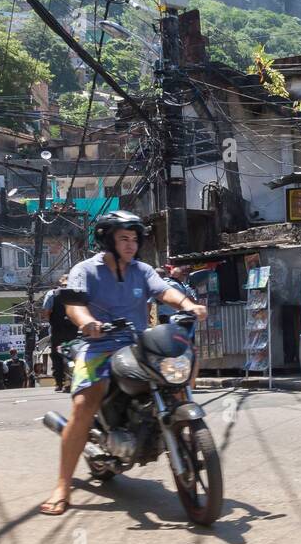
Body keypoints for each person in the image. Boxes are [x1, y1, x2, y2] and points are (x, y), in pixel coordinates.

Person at [39, 211, 207, 516]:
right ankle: (63, 485)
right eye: (123, 239)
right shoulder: (85, 270)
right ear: (108, 240)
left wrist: (188, 305)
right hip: (97, 345)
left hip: (137, 343)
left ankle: (177, 424)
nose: (130, 245)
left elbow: (164, 291)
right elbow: (75, 305)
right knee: (84, 403)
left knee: (181, 364)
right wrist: (89, 323)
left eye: (134, 239)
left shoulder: (141, 270)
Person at [42, 275, 77, 393]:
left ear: (59, 283)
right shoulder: (77, 292)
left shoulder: (52, 294)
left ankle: (59, 383)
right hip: (74, 331)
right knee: (76, 355)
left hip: (58, 331)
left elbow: (46, 311)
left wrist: (51, 321)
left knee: (57, 356)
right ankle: (74, 381)